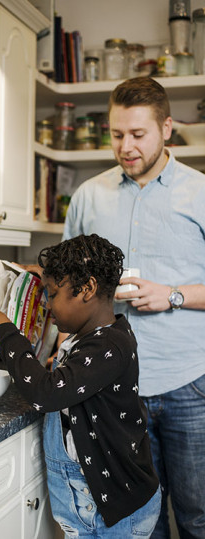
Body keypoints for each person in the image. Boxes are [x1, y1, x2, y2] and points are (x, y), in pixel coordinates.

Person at [63, 77, 205, 538]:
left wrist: (174, 293)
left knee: (198, 517)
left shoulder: (200, 193)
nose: (125, 146)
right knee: (139, 524)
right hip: (112, 388)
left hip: (190, 383)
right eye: (116, 134)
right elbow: (67, 287)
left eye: (138, 134)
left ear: (167, 127)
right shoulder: (88, 196)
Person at [0, 233, 161, 538]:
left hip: (114, 514)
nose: (47, 304)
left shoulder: (108, 346)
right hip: (94, 504)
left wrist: (7, 333)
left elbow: (47, 393)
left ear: (87, 289)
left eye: (53, 293)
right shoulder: (96, 338)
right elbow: (69, 379)